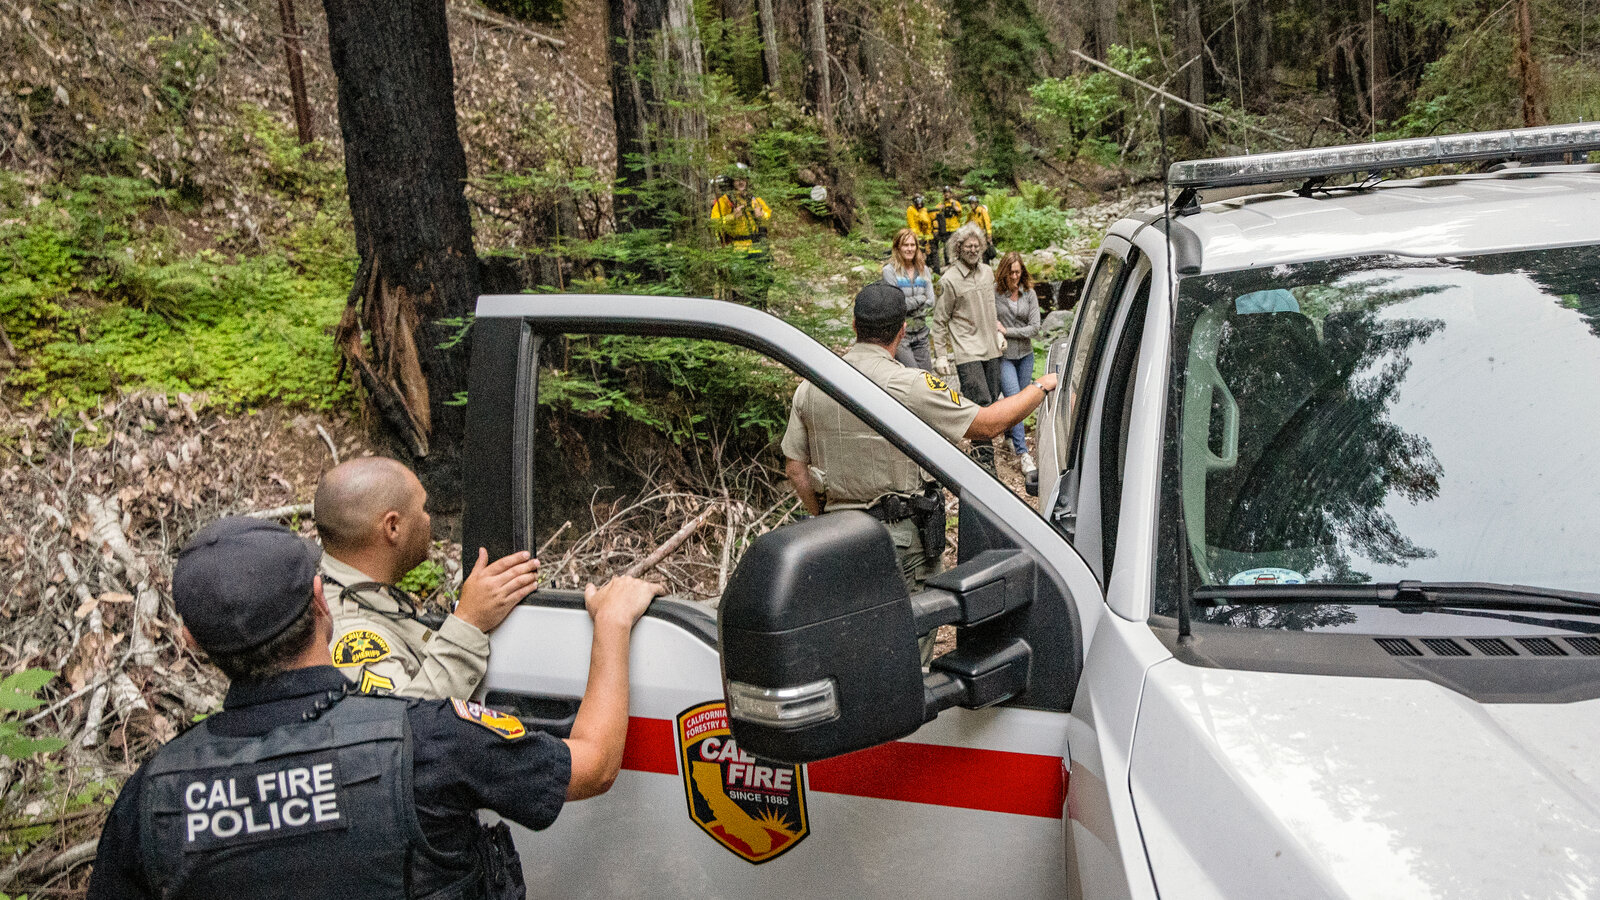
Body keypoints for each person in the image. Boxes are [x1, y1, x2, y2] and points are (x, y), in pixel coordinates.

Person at [86, 516, 663, 900]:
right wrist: (612, 625)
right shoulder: (427, 741)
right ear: (321, 600)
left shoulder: (151, 799)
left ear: (189, 639)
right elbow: (594, 763)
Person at [781, 283, 1058, 659]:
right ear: (901, 331)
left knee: (854, 645)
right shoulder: (911, 385)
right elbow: (987, 424)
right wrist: (1043, 385)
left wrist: (826, 515)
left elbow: (795, 468)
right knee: (908, 654)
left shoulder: (813, 385)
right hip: (902, 544)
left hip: (835, 539)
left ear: (853, 325)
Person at [313, 457, 538, 700]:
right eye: (422, 509)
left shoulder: (354, 591)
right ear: (392, 527)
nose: (428, 520)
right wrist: (469, 623)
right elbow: (399, 722)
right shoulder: (353, 634)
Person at [931, 222, 1004, 473]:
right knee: (980, 403)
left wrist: (998, 332)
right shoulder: (949, 280)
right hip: (967, 351)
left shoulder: (987, 272)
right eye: (968, 246)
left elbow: (990, 308)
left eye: (977, 245)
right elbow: (940, 319)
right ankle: (986, 464)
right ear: (958, 248)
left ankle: (979, 455)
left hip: (991, 348)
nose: (973, 249)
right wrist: (941, 354)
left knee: (992, 402)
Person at [994, 252, 1041, 475]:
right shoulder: (995, 295)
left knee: (1022, 402)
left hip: (1026, 355)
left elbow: (1035, 328)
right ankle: (1023, 454)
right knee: (1015, 400)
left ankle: (1009, 438)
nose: (1014, 276)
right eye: (1011, 272)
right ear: (1004, 272)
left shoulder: (1029, 294)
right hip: (1004, 357)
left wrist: (1007, 330)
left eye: (1018, 271)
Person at [710, 168, 773, 306]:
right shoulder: (725, 201)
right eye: (737, 179)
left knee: (762, 279)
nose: (741, 182)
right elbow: (714, 223)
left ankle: (761, 306)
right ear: (732, 182)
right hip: (737, 249)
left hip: (756, 246)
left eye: (743, 179)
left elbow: (769, 216)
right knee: (739, 284)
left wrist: (762, 215)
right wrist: (732, 216)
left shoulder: (755, 199)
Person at [883, 227, 935, 371]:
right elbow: (896, 305)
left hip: (921, 332)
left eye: (912, 245)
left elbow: (931, 301)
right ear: (898, 247)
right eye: (906, 245)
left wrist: (909, 304)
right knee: (912, 375)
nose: (909, 249)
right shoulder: (889, 271)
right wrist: (920, 299)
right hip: (901, 335)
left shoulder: (924, 270)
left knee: (927, 377)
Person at [932, 187, 964, 268]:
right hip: (945, 229)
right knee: (946, 247)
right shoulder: (941, 204)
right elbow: (934, 213)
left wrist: (954, 208)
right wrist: (940, 208)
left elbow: (960, 214)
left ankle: (958, 263)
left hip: (954, 228)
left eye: (948, 192)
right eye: (945, 192)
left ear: (951, 194)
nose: (946, 194)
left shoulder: (955, 203)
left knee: (956, 246)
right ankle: (947, 264)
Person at [905, 194, 936, 274]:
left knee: (929, 252)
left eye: (920, 203)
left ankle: (930, 269)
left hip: (926, 236)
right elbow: (912, 225)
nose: (919, 205)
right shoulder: (910, 210)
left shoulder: (924, 210)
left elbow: (928, 223)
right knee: (918, 253)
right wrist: (918, 237)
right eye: (918, 203)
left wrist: (929, 236)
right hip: (917, 236)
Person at [965, 194, 995, 263]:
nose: (971, 205)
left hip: (983, 234)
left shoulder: (982, 211)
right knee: (975, 251)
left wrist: (989, 234)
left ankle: (986, 266)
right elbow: (967, 224)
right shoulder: (970, 214)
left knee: (985, 253)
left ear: (976, 203)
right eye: (970, 203)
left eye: (973, 203)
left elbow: (987, 223)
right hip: (975, 235)